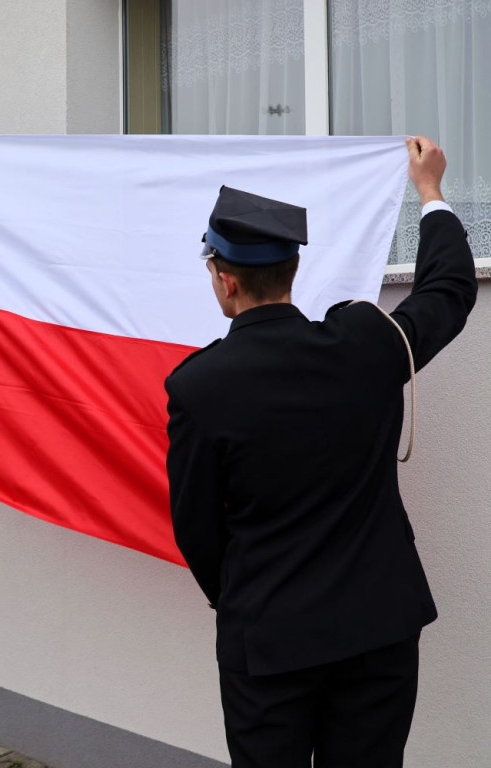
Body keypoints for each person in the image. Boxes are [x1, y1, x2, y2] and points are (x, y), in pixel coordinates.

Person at [164, 136, 477, 768]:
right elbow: (450, 292)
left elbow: (196, 528)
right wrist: (431, 193)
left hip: (270, 638)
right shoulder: (366, 342)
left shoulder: (199, 386)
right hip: (379, 630)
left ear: (225, 281)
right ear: (292, 271)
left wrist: (248, 594)